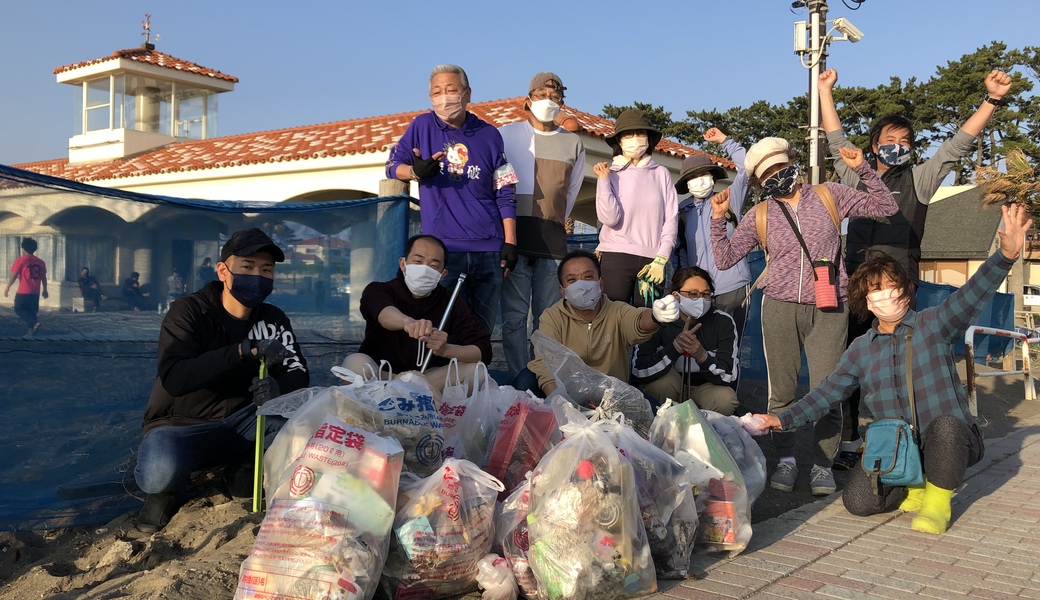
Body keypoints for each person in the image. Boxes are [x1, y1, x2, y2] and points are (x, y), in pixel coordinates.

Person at [752, 203, 1030, 535]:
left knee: (947, 427)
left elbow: (971, 296)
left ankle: (937, 502)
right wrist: (782, 418)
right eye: (874, 291)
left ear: (904, 290)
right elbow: (827, 393)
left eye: (889, 287)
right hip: (900, 446)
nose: (884, 296)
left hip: (949, 441)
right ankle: (914, 484)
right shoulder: (861, 349)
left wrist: (1006, 255)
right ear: (865, 301)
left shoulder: (934, 324)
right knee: (858, 502)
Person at [819, 68, 1015, 470]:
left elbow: (956, 146)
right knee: (855, 360)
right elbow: (835, 138)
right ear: (874, 147)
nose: (898, 147)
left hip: (898, 283)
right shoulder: (854, 172)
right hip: (857, 282)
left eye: (905, 141)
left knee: (906, 360)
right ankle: (850, 439)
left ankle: (915, 436)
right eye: (890, 141)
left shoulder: (920, 179)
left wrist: (991, 99)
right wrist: (824, 91)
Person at [710, 138, 897, 496]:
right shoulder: (760, 213)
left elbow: (885, 205)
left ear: (792, 163)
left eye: (781, 167)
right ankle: (786, 460)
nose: (777, 177)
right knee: (781, 390)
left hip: (830, 306)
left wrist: (862, 168)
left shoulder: (830, 195)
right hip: (779, 306)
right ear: (759, 181)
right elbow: (724, 258)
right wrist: (718, 221)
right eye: (768, 175)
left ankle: (823, 465)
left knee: (828, 389)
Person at [134, 228, 309, 533]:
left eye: (266, 269)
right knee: (160, 471)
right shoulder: (188, 312)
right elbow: (175, 377)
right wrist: (242, 351)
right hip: (181, 425)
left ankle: (240, 469)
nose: (258, 276)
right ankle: (163, 495)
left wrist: (282, 389)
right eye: (248, 267)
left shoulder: (273, 319)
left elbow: (297, 369)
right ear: (223, 271)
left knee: (296, 423)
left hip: (245, 423)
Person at [385, 64, 518, 336]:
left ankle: (475, 378)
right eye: (436, 91)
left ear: (467, 94)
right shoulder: (422, 126)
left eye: (451, 90)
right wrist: (414, 171)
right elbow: (391, 166)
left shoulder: (490, 135)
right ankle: (438, 379)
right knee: (439, 330)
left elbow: (505, 189)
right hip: (442, 252)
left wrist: (510, 242)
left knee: (479, 332)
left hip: (488, 250)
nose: (443, 97)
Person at [498, 72, 586, 380]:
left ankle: (542, 378)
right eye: (541, 94)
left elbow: (570, 194)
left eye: (555, 96)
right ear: (528, 100)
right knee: (513, 317)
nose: (548, 100)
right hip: (513, 239)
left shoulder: (572, 142)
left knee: (548, 320)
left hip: (551, 242)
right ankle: (518, 378)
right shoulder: (505, 134)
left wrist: (553, 218)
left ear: (562, 102)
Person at [341, 234, 492, 394]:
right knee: (354, 364)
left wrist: (446, 350)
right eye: (418, 262)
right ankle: (371, 414)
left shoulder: (450, 300)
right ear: (403, 264)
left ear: (443, 275)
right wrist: (407, 322)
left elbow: (482, 351)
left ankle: (433, 411)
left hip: (428, 381)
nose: (424, 269)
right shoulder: (379, 290)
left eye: (433, 266)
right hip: (383, 378)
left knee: (477, 372)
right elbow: (383, 313)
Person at [519, 249, 680, 397]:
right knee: (524, 381)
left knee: (651, 413)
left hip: (610, 394)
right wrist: (557, 399)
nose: (581, 285)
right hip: (565, 391)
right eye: (572, 280)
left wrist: (656, 316)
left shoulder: (617, 311)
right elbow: (545, 362)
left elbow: (638, 322)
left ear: (601, 283)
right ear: (563, 291)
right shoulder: (552, 317)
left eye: (588, 277)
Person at [673, 128, 752, 341]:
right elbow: (680, 252)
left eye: (703, 175)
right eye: (693, 177)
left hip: (733, 288)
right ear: (687, 184)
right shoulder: (681, 212)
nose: (699, 180)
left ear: (713, 177)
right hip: (697, 292)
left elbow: (748, 168)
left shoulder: (729, 199)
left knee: (730, 348)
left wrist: (725, 141)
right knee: (700, 348)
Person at [595, 109, 678, 307]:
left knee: (649, 322)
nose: (635, 139)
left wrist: (661, 259)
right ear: (619, 140)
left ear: (649, 138)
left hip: (652, 260)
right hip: (615, 257)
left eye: (640, 133)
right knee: (613, 320)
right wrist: (604, 181)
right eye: (628, 134)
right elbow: (609, 218)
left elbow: (671, 219)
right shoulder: (610, 173)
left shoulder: (661, 174)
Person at [631, 266, 739, 415]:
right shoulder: (658, 319)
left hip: (706, 387)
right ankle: (663, 428)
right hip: (671, 386)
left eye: (706, 294)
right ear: (676, 296)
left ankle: (710, 432)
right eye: (693, 294)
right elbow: (639, 371)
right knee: (659, 386)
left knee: (725, 399)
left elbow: (729, 376)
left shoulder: (723, 322)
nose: (701, 300)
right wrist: (674, 348)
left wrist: (703, 357)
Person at [4, 237, 48, 336]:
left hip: (24, 290)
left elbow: (14, 275)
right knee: (31, 312)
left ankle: (34, 324)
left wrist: (7, 287)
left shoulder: (21, 260)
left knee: (19, 309)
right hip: (35, 291)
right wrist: (45, 289)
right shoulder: (41, 262)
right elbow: (43, 277)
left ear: (23, 248)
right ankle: (31, 332)